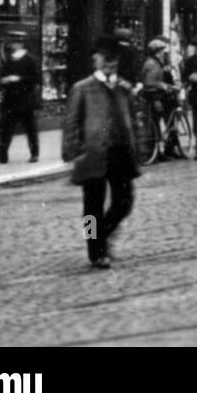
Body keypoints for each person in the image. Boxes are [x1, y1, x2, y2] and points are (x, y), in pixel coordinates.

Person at [61, 36, 139, 269]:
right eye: (104, 59)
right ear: (95, 60)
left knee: (124, 202)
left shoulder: (122, 88)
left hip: (119, 152)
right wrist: (72, 152)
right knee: (91, 208)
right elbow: (71, 122)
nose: (109, 64)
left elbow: (131, 120)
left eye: (113, 61)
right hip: (92, 154)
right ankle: (95, 252)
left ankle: (99, 236)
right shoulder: (82, 89)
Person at [0, 31, 42, 164]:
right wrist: (3, 80)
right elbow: (1, 77)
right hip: (11, 100)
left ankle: (34, 154)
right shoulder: (8, 60)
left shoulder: (30, 60)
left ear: (20, 44)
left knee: (30, 128)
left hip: (25, 99)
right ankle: (2, 155)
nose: (12, 45)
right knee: (6, 130)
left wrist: (18, 78)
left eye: (14, 42)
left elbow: (36, 79)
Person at [139, 37, 183, 160]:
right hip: (155, 97)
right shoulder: (153, 64)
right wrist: (168, 87)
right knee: (162, 122)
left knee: (161, 123)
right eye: (162, 50)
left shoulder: (156, 62)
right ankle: (160, 152)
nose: (164, 52)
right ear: (158, 51)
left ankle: (165, 150)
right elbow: (150, 82)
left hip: (156, 96)